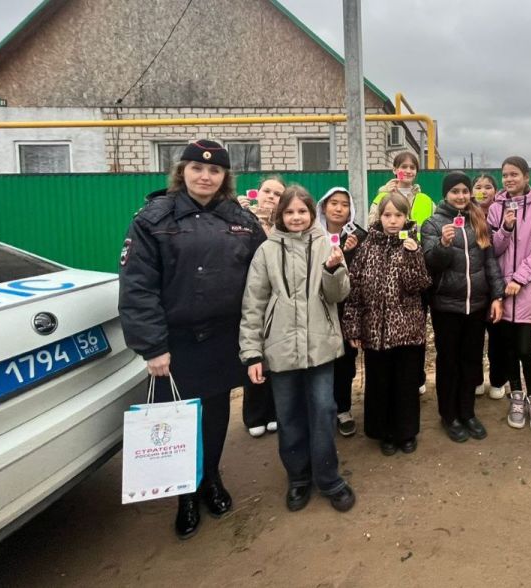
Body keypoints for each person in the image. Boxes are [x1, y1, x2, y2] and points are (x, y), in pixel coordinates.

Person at [118, 140, 266, 539]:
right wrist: (153, 346)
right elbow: (138, 286)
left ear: (225, 177)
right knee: (181, 417)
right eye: (197, 169)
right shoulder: (153, 218)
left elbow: (262, 276)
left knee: (216, 411)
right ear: (182, 171)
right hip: (176, 341)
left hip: (223, 337)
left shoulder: (241, 220)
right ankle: (185, 493)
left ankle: (211, 478)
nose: (205, 176)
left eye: (214, 170)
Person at [239, 186, 357, 513]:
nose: (296, 217)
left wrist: (333, 269)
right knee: (289, 416)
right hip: (280, 348)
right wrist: (252, 353)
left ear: (311, 213)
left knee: (323, 412)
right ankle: (298, 478)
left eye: (302, 211)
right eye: (289, 212)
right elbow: (253, 304)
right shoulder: (266, 251)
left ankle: (329, 478)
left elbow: (338, 295)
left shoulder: (327, 245)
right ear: (280, 215)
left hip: (320, 347)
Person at [343, 193, 431, 454]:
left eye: (398, 215)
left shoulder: (413, 244)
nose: (393, 221)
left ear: (406, 218)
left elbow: (419, 285)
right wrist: (353, 327)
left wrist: (412, 256)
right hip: (374, 332)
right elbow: (354, 289)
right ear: (379, 217)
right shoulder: (366, 246)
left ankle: (406, 432)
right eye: (387, 215)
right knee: (380, 383)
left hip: (407, 331)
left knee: (405, 384)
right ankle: (385, 433)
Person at [422, 172, 505, 442]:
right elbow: (430, 263)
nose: (460, 196)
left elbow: (490, 262)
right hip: (446, 306)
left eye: (464, 191)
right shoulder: (432, 224)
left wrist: (497, 296)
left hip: (477, 305)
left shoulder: (478, 219)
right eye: (455, 191)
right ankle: (449, 415)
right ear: (446, 194)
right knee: (449, 362)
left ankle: (467, 412)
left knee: (471, 361)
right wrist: (444, 245)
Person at [486, 156, 531, 433]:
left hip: (527, 289)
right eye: (505, 175)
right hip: (503, 292)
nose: (509, 179)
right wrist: (506, 228)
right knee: (509, 349)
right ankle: (516, 396)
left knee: (526, 348)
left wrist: (519, 278)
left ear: (527, 177)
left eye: (514, 174)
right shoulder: (496, 208)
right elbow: (492, 249)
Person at [368, 151, 435, 396]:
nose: (407, 171)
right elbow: (372, 226)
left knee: (416, 327)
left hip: (416, 266)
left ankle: (417, 376)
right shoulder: (381, 197)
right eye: (403, 166)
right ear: (394, 169)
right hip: (387, 269)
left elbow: (433, 230)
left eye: (412, 167)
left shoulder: (426, 200)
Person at [316, 187, 369, 437]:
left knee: (345, 361)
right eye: (334, 203)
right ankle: (321, 410)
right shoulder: (312, 235)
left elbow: (362, 273)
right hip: (318, 308)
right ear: (324, 207)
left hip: (347, 310)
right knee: (321, 361)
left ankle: (343, 410)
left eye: (344, 205)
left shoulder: (358, 235)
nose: (338, 209)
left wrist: (351, 252)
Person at [238, 175, 285, 438]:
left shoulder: (285, 224)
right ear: (257, 193)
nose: (271, 197)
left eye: (278, 194)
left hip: (278, 298)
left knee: (275, 356)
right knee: (254, 352)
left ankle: (274, 411)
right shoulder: (243, 221)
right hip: (251, 294)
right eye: (267, 191)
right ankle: (254, 413)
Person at [471, 173, 508, 399]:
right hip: (474, 286)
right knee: (474, 338)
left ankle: (498, 380)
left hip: (499, 281)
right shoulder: (465, 214)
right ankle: (476, 379)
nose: (483, 191)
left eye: (488, 187)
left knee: (498, 337)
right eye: (478, 186)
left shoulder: (504, 211)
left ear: (496, 191)